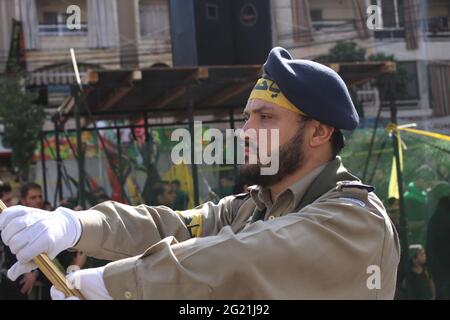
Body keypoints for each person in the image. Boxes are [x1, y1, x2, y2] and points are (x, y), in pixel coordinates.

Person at [0, 47, 400, 300]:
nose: (245, 131)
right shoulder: (251, 208)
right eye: (247, 118)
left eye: (265, 117)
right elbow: (171, 226)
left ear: (318, 132)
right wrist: (72, 225)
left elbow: (244, 254)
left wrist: (114, 284)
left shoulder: (355, 219)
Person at [0, 181, 27, 300]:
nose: (10, 205)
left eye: (10, 200)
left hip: (12, 285)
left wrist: (32, 273)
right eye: (6, 201)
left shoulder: (14, 226)